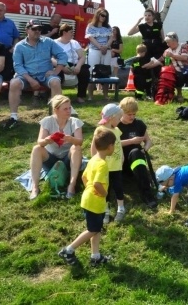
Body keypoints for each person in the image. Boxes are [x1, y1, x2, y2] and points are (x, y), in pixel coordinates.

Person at [58, 128, 117, 267]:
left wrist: (88, 190)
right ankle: (68, 250)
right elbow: (97, 183)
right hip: (95, 201)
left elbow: (84, 176)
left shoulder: (94, 159)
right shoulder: (102, 164)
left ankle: (95, 256)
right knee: (93, 230)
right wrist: (104, 194)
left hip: (89, 199)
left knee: (96, 228)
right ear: (110, 147)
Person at [4, 19, 67, 130]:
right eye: (34, 29)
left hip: (45, 75)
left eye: (39, 29)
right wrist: (30, 80)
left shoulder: (48, 42)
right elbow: (18, 66)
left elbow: (63, 55)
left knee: (56, 82)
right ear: (27, 30)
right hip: (26, 76)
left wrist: (56, 71)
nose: (37, 31)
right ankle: (13, 117)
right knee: (14, 83)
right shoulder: (19, 46)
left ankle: (55, 118)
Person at [28, 95, 84, 200]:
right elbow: (40, 141)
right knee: (36, 148)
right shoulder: (47, 121)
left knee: (76, 148)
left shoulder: (75, 122)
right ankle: (35, 187)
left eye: (69, 108)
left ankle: (71, 185)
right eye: (65, 109)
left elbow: (80, 141)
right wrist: (47, 140)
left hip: (68, 159)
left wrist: (70, 139)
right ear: (56, 110)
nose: (69, 111)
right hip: (51, 158)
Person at [118, 97, 157, 209]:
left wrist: (144, 149)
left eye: (134, 114)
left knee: (136, 153)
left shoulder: (139, 124)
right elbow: (111, 144)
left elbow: (148, 140)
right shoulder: (115, 125)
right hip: (119, 162)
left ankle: (147, 194)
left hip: (135, 160)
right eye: (129, 114)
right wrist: (131, 141)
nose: (132, 117)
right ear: (121, 112)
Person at [93, 104, 126, 224]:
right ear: (112, 117)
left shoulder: (117, 131)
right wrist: (94, 161)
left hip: (116, 165)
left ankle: (121, 208)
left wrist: (122, 155)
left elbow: (119, 144)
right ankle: (105, 210)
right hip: (104, 166)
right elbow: (94, 147)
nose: (120, 120)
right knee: (105, 188)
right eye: (118, 118)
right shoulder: (100, 131)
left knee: (118, 187)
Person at [55, 23, 91, 104]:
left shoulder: (74, 42)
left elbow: (82, 57)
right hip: (60, 64)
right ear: (64, 33)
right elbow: (51, 59)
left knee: (85, 71)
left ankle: (80, 96)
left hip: (74, 64)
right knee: (57, 73)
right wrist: (62, 68)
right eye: (71, 32)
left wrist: (78, 67)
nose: (73, 34)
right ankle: (57, 96)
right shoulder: (54, 43)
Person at [86, 8, 114, 99]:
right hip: (94, 50)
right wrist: (99, 46)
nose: (104, 17)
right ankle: (90, 95)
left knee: (106, 72)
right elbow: (91, 38)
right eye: (102, 15)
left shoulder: (108, 27)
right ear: (97, 15)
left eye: (105, 16)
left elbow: (111, 38)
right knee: (92, 72)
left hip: (106, 50)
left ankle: (105, 95)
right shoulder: (90, 26)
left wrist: (106, 46)